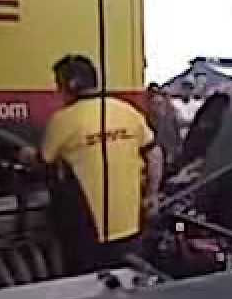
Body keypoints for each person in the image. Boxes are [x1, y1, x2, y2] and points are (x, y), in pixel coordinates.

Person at [19, 54, 160, 275]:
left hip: (87, 234)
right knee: (130, 280)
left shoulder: (63, 120)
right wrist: (151, 195)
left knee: (90, 287)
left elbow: (43, 163)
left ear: (71, 85)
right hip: (132, 226)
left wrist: (26, 155)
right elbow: (154, 154)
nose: (59, 92)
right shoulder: (127, 111)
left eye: (59, 85)